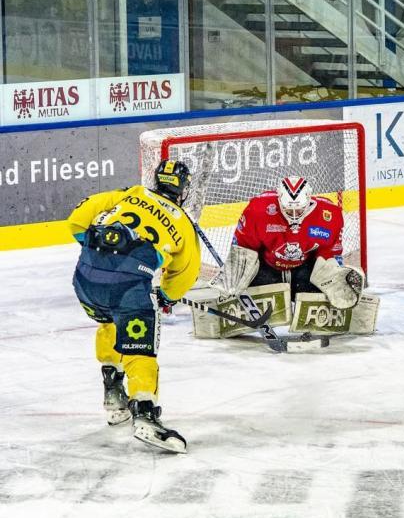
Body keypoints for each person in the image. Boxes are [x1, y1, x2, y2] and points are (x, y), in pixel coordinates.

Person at [68, 159, 201, 453]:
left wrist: (102, 257)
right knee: (139, 346)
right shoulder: (181, 221)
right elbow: (186, 274)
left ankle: (113, 393)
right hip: (125, 287)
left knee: (110, 324)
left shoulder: (130, 193)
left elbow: (77, 220)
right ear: (184, 190)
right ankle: (145, 412)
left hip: (84, 281)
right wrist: (166, 296)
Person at [211, 176, 365, 310]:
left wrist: (334, 277)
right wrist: (235, 277)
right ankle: (235, 300)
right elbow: (243, 248)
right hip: (267, 271)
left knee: (328, 274)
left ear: (309, 200)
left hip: (303, 273)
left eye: (298, 210)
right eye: (288, 209)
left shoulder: (329, 215)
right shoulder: (258, 210)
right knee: (242, 279)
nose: (293, 215)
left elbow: (329, 253)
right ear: (279, 200)